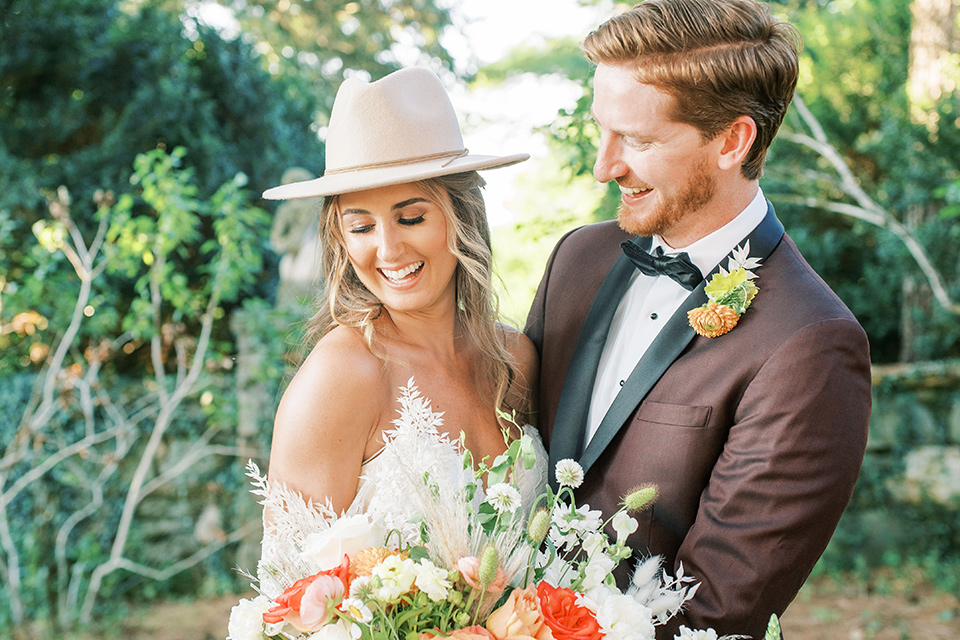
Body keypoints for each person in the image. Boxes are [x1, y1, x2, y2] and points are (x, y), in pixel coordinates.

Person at [524, 1, 872, 637]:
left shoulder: (810, 344)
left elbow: (714, 614)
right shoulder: (577, 258)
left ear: (733, 141)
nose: (605, 165)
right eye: (602, 130)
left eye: (639, 139)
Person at [257, 67, 546, 588]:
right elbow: (289, 598)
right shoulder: (340, 375)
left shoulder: (515, 360)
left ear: (462, 217)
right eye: (361, 226)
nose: (387, 251)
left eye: (411, 218)